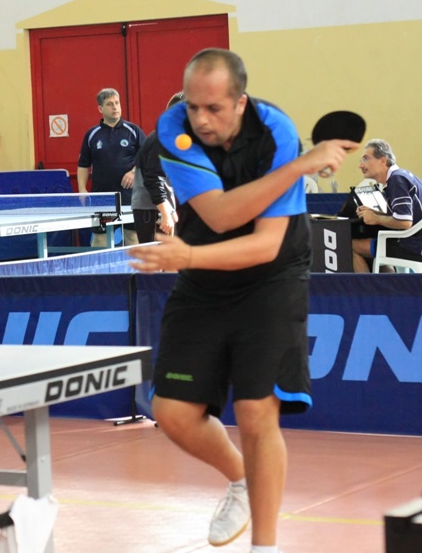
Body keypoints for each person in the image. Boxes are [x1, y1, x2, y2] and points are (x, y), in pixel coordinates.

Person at [127, 48, 356, 553]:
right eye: (193, 106)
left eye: (214, 108)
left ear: (240, 103)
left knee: (256, 412)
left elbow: (264, 245)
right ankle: (241, 479)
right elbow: (221, 216)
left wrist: (187, 256)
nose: (201, 120)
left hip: (271, 276)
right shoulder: (173, 130)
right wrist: (298, 168)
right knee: (171, 411)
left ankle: (264, 547)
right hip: (205, 268)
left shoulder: (275, 132)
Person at [77, 88, 145, 246]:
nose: (115, 107)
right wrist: (82, 189)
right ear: (100, 109)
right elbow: (83, 165)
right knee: (100, 238)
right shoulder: (92, 135)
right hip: (103, 198)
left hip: (130, 196)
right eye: (109, 104)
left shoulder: (133, 131)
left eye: (117, 103)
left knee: (132, 236)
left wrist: (133, 172)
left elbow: (146, 158)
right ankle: (98, 264)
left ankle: (132, 264)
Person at [351, 139, 422, 272]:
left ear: (383, 160)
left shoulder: (397, 180)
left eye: (366, 159)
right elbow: (402, 215)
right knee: (376, 245)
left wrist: (376, 219)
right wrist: (376, 213)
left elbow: (405, 222)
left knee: (351, 246)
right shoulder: (400, 175)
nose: (360, 165)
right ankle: (387, 283)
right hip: (414, 241)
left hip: (413, 245)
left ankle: (369, 286)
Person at [131, 91, 182, 243]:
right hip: (150, 209)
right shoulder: (161, 139)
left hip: (159, 207)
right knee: (155, 257)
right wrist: (165, 213)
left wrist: (171, 209)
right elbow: (153, 178)